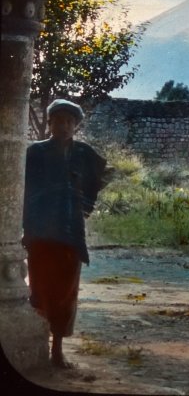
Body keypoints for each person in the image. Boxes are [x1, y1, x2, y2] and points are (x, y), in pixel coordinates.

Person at [23, 99, 108, 367]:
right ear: (49, 124)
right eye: (59, 121)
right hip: (40, 233)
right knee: (40, 290)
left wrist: (82, 206)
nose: (64, 126)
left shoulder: (84, 153)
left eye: (70, 122)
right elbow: (21, 187)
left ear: (76, 126)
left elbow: (100, 177)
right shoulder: (34, 152)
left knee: (66, 293)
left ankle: (57, 351)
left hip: (70, 235)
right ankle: (38, 346)